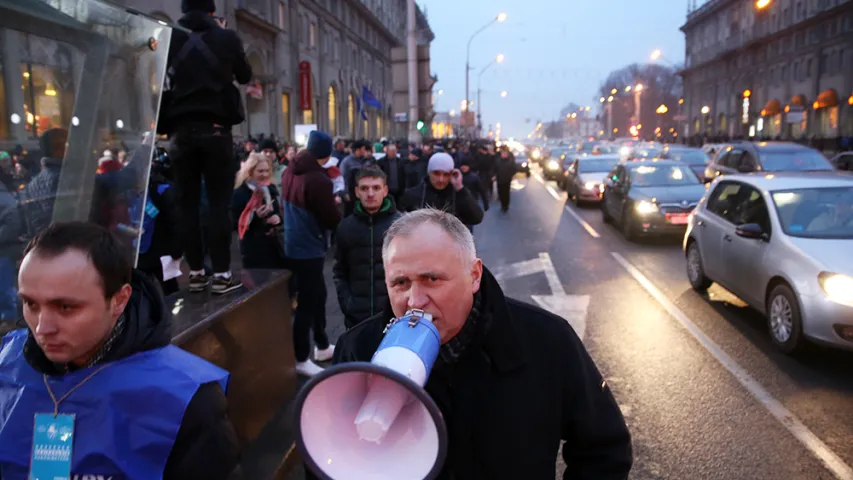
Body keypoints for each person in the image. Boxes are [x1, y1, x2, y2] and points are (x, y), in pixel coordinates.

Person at [333, 209, 632, 478]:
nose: (415, 300)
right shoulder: (358, 349)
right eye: (400, 283)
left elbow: (603, 450)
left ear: (474, 275)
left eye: (432, 279)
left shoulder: (548, 340)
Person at [0, 222, 240, 478]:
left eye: (66, 307)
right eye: (30, 303)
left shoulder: (186, 398)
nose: (41, 327)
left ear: (119, 300)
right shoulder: (8, 361)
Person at [163, 0, 252, 294]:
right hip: (216, 133)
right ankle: (223, 274)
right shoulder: (225, 38)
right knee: (218, 205)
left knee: (186, 205)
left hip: (179, 134)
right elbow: (245, 76)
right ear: (212, 10)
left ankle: (197, 273)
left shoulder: (172, 36)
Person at [280, 131, 341, 376]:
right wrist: (337, 205)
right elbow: (330, 218)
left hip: (293, 243)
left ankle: (323, 344)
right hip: (309, 247)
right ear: (325, 155)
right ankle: (301, 357)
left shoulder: (289, 170)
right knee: (307, 304)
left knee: (317, 296)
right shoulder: (318, 180)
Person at [333, 166, 401, 329]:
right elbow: (340, 271)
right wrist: (348, 303)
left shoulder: (401, 225)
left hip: (393, 316)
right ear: (357, 192)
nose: (370, 194)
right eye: (364, 188)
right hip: (357, 317)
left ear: (385, 191)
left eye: (376, 188)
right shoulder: (346, 227)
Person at [398, 152, 484, 226]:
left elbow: (476, 218)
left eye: (446, 174)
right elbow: (400, 225)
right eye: (436, 173)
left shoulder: (457, 196)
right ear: (429, 173)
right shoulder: (413, 195)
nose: (441, 179)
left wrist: (460, 188)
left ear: (451, 174)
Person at [232, 152, 285, 269]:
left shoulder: (270, 189)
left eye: (267, 170)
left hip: (273, 246)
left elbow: (277, 212)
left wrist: (277, 218)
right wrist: (255, 216)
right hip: (253, 249)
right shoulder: (240, 193)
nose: (265, 174)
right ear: (250, 172)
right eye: (260, 171)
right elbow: (235, 224)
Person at [459, 156, 489, 232]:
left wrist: (486, 203)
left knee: (469, 226)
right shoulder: (458, 177)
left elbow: (482, 190)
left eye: (465, 166)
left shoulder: (474, 177)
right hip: (459, 204)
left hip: (471, 204)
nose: (464, 168)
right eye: (462, 166)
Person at [495, 147, 518, 213]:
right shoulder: (498, 161)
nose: (504, 155)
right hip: (499, 179)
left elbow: (514, 169)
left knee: (506, 193)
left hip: (507, 179)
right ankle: (502, 204)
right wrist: (495, 175)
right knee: (500, 193)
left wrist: (509, 175)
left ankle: (506, 205)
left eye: (505, 154)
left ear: (507, 154)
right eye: (503, 154)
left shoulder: (510, 161)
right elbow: (494, 168)